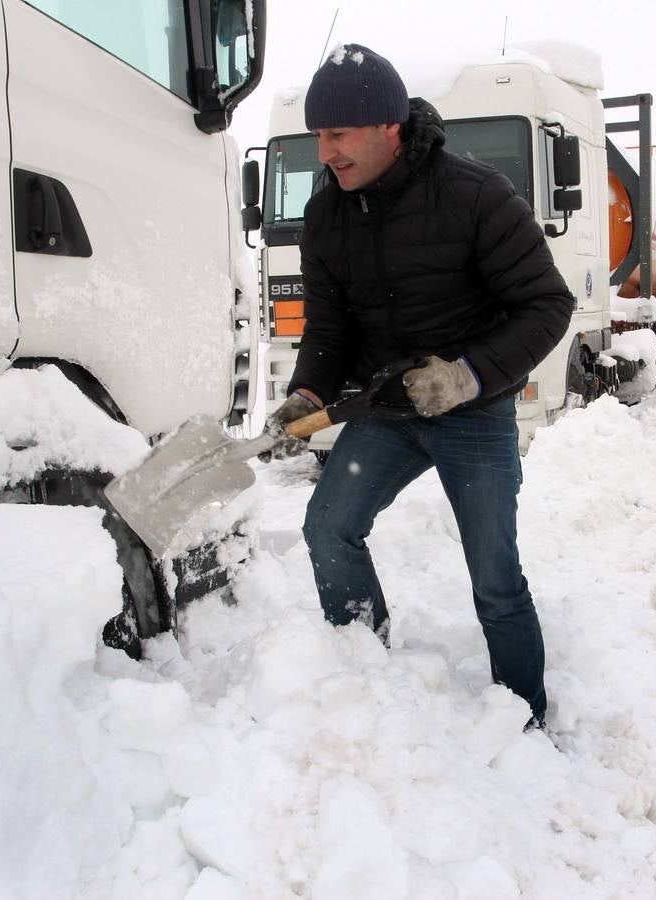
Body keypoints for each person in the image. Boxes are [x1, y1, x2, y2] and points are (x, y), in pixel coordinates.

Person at [267, 44, 574, 728]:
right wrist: (309, 393)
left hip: (474, 411)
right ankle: (361, 674)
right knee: (328, 529)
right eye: (318, 136)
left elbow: (546, 306)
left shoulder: (474, 194)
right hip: (387, 409)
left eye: (337, 135)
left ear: (388, 127)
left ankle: (525, 718)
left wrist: (463, 378)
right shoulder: (326, 216)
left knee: (495, 578)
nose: (325, 153)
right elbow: (329, 327)